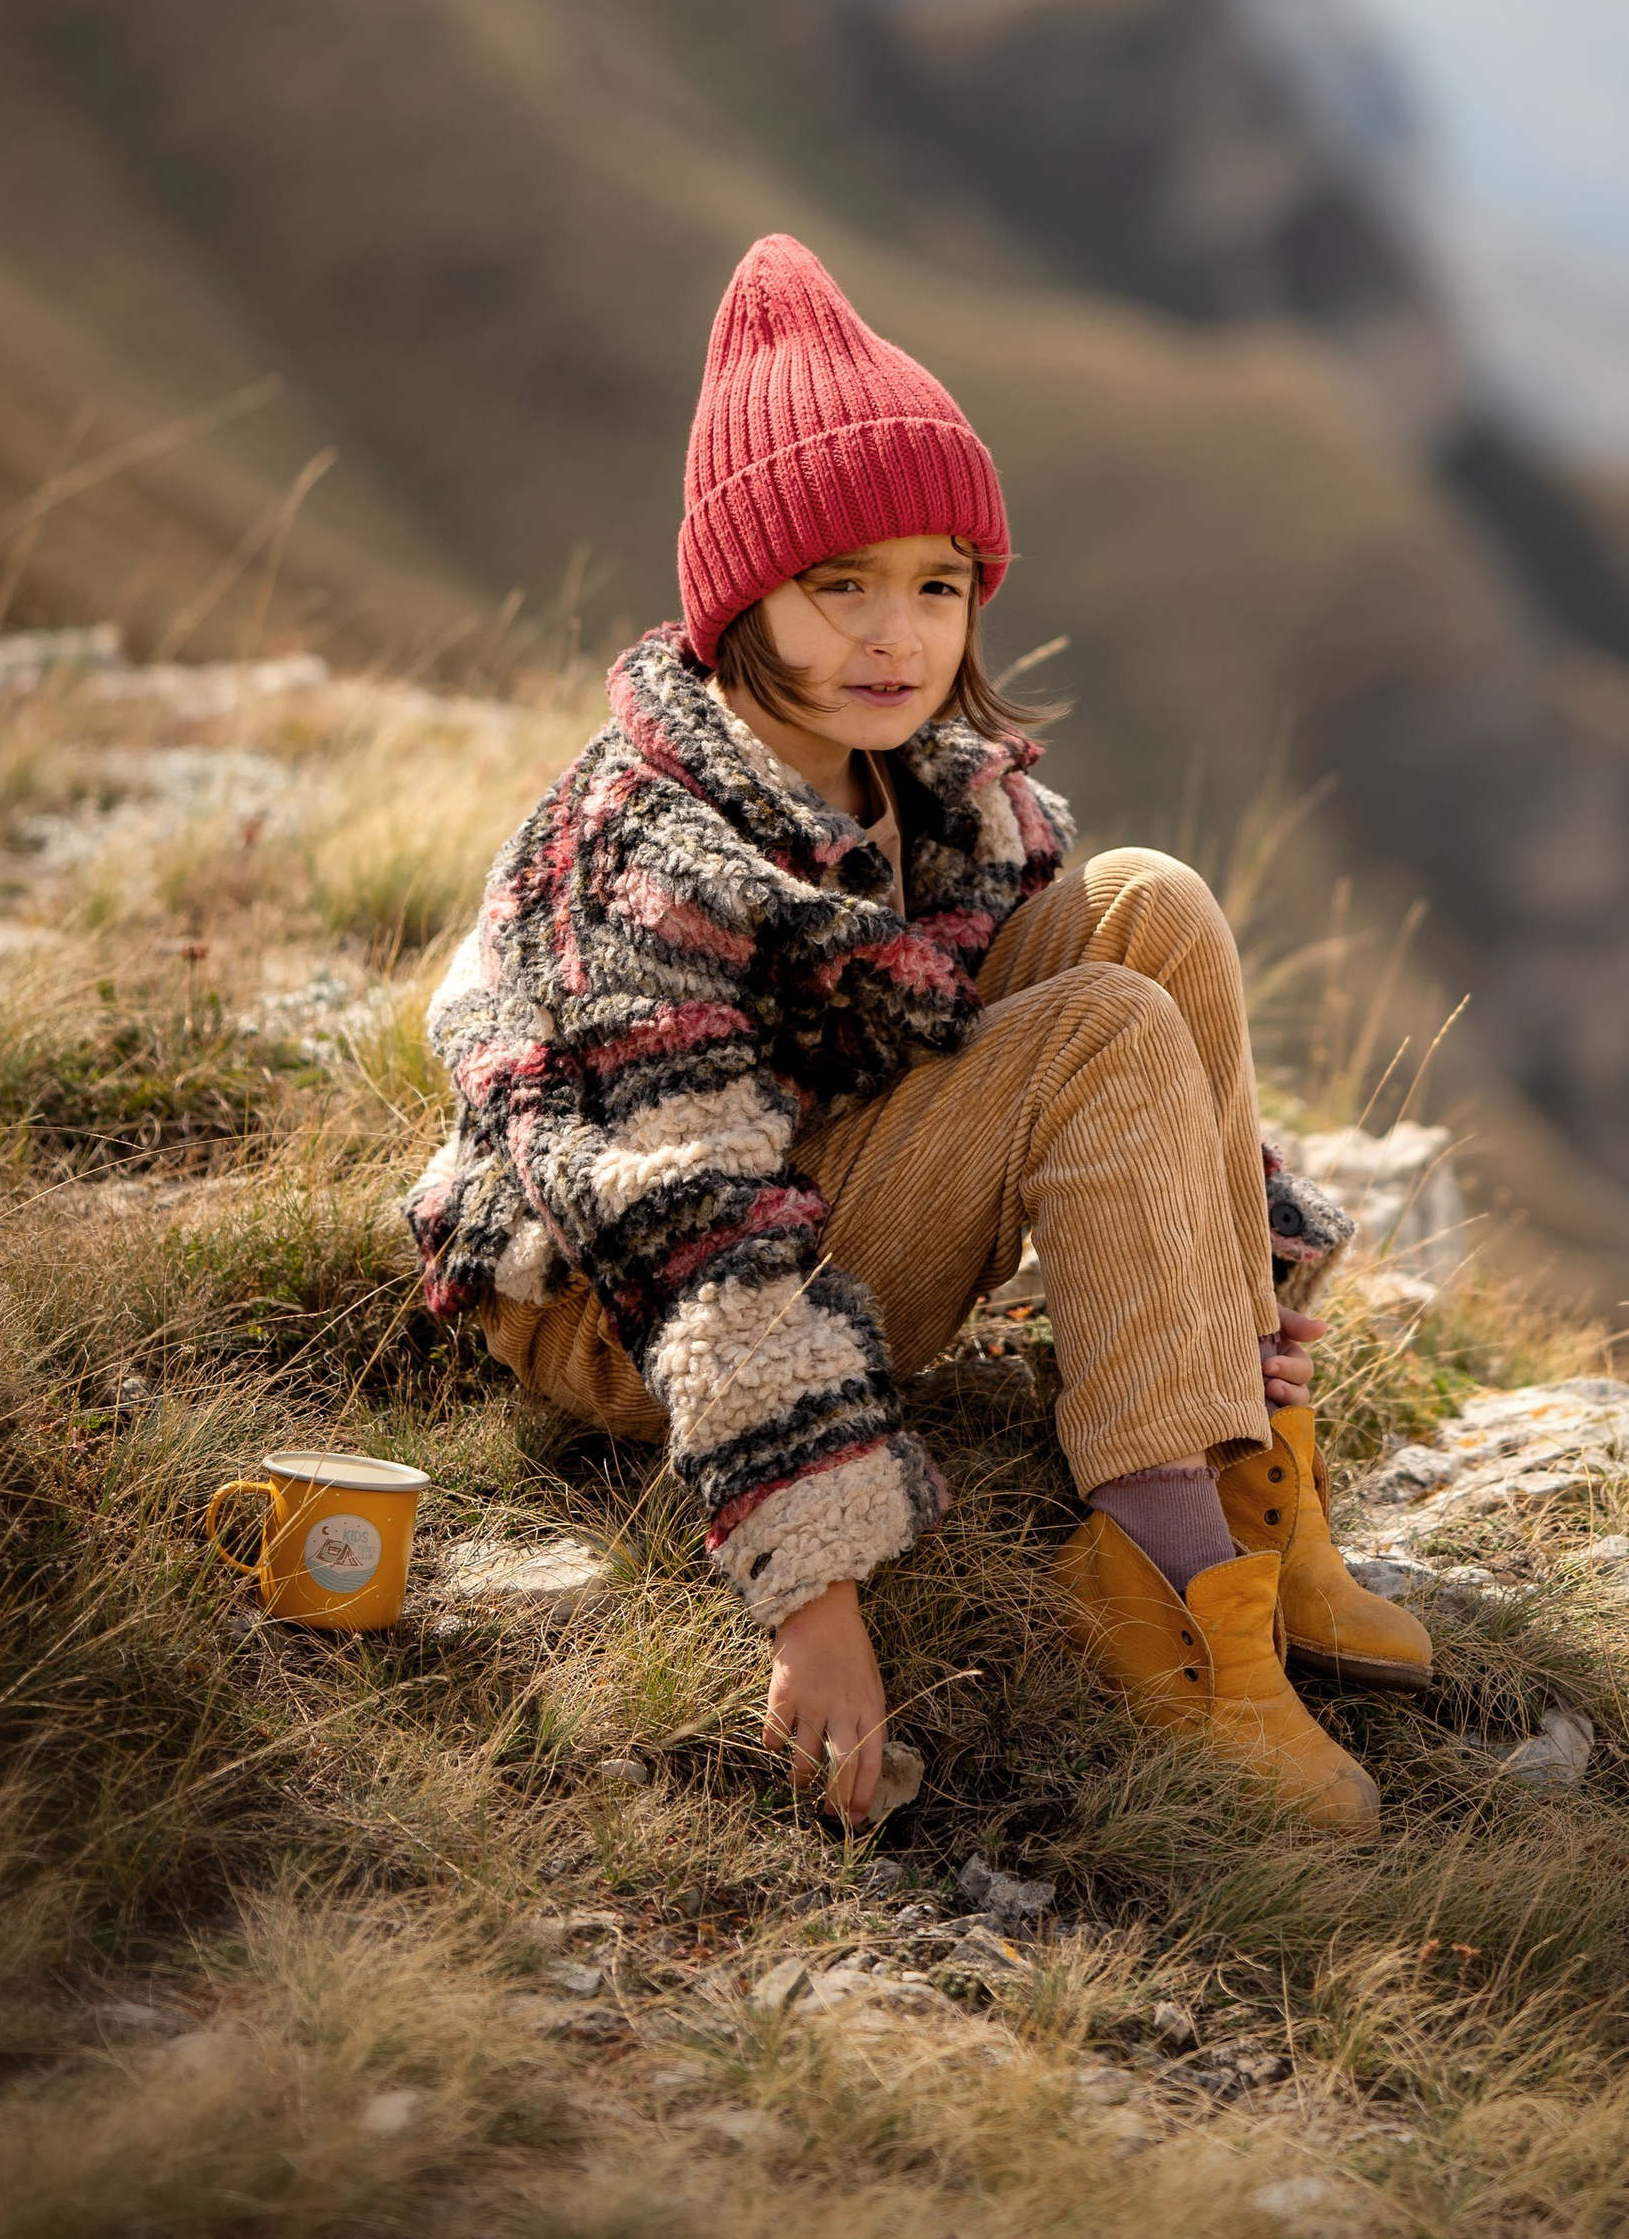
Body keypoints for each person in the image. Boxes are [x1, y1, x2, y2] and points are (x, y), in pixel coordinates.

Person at [406, 234, 1430, 1841]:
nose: (896, 636)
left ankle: (1246, 1480)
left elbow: (1119, 1063)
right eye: (840, 586)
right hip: (628, 1315)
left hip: (830, 1189)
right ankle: (1169, 1592)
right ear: (743, 595)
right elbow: (690, 1234)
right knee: (1093, 1028)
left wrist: (1244, 1285)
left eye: (936, 585)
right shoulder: (650, 850)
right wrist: (810, 1596)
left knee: (1143, 906)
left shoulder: (942, 789)